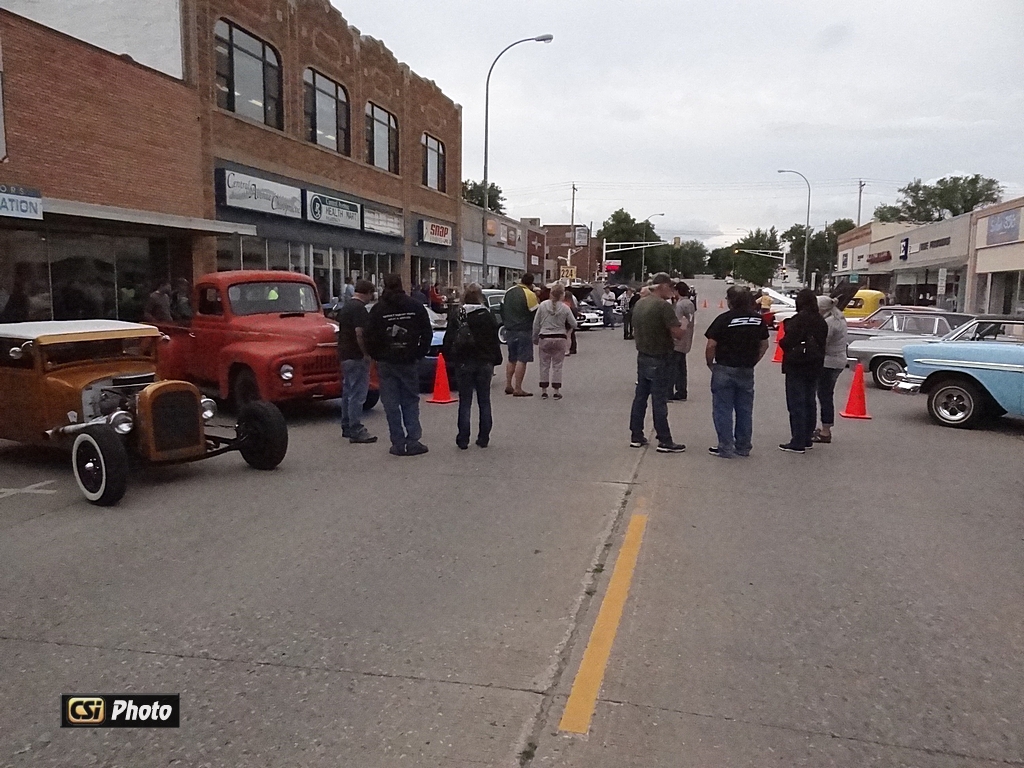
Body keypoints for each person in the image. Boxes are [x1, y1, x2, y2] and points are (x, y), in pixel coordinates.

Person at [365, 274, 432, 456]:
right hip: (408, 359)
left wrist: (376, 355)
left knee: (391, 403)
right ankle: (413, 441)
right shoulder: (415, 307)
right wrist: (419, 352)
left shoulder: (378, 310)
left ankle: (397, 442)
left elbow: (369, 336)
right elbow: (427, 332)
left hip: (387, 361)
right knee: (410, 400)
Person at [704, 286, 770, 458]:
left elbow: (711, 344)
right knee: (745, 410)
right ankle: (743, 446)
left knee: (723, 409)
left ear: (730, 301)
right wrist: (754, 360)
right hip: (746, 369)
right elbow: (764, 344)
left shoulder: (724, 319)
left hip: (725, 368)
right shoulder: (758, 320)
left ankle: (725, 447)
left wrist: (710, 363)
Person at [628, 273, 687, 453]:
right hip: (660, 357)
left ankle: (636, 435)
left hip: (643, 354)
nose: (672, 290)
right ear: (662, 286)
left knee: (640, 397)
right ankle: (664, 439)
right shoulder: (663, 306)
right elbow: (677, 333)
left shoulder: (640, 303)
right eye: (670, 286)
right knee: (659, 399)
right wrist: (684, 325)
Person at [442, 283, 502, 449]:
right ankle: (483, 437)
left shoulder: (457, 315)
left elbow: (449, 339)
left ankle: (463, 438)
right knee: (484, 400)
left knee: (465, 401)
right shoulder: (487, 315)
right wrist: (496, 358)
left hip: (464, 362)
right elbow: (493, 340)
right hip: (484, 362)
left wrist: (450, 357)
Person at [779, 288, 829, 453]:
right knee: (809, 401)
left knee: (796, 403)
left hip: (797, 365)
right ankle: (807, 437)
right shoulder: (821, 321)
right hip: (815, 365)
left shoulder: (799, 320)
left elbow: (786, 342)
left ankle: (797, 441)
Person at [336, 279, 377, 444]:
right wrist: (366, 353)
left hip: (345, 354)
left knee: (348, 390)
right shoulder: (359, 309)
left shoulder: (346, 307)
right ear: (367, 293)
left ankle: (346, 424)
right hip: (356, 355)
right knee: (358, 394)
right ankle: (356, 428)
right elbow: (359, 333)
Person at [812, 295, 849, 444]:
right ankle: (825, 428)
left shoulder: (829, 323)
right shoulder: (839, 319)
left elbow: (822, 343)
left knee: (824, 395)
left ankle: (826, 431)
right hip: (839, 360)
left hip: (829, 362)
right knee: (826, 394)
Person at [532, 283, 578, 399]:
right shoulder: (565, 308)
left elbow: (536, 324)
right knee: (558, 365)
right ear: (562, 295)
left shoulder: (542, 306)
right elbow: (574, 323)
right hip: (559, 338)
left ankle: (544, 390)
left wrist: (535, 338)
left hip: (545, 337)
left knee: (544, 364)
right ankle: (556, 391)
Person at [502, 273, 539, 396]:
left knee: (511, 358)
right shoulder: (529, 294)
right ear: (531, 283)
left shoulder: (509, 291)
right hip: (524, 330)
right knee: (522, 359)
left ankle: (508, 384)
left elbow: (501, 307)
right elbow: (535, 313)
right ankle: (518, 388)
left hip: (510, 329)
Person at [671, 282, 696, 401]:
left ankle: (672, 391)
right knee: (681, 366)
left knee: (674, 366)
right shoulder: (690, 303)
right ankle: (682, 390)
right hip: (687, 337)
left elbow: (677, 322)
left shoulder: (680, 305)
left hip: (678, 338)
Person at [563, 289, 581, 354]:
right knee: (572, 335)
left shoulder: (566, 305)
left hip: (567, 321)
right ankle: (573, 348)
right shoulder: (573, 304)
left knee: (567, 336)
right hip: (572, 320)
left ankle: (567, 349)